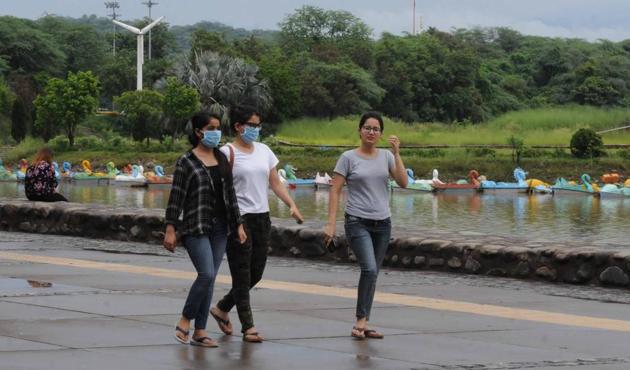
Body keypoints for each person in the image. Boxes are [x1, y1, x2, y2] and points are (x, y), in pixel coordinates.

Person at [210, 105, 304, 343]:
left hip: (262, 217)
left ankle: (222, 308)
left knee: (256, 273)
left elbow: (275, 181)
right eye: (251, 125)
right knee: (241, 275)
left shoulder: (264, 150)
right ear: (238, 126)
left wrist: (291, 204)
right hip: (239, 218)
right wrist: (234, 222)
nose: (255, 129)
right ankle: (248, 326)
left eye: (258, 125)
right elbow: (221, 190)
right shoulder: (226, 152)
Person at [163, 112, 247, 348]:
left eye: (218, 128)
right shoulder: (186, 161)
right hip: (195, 226)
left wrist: (238, 223)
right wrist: (170, 228)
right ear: (199, 131)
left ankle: (200, 331)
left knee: (210, 279)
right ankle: (185, 318)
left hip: (220, 228)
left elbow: (230, 195)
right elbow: (176, 198)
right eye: (211, 128)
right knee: (207, 274)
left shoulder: (221, 159)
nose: (216, 132)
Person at [323, 112, 408, 340]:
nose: (371, 132)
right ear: (360, 131)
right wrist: (330, 223)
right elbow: (335, 190)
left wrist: (397, 154)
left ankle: (364, 321)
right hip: (357, 221)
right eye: (367, 128)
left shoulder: (387, 157)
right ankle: (360, 320)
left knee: (373, 273)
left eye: (376, 129)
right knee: (369, 268)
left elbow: (403, 182)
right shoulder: (348, 158)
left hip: (383, 223)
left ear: (380, 134)